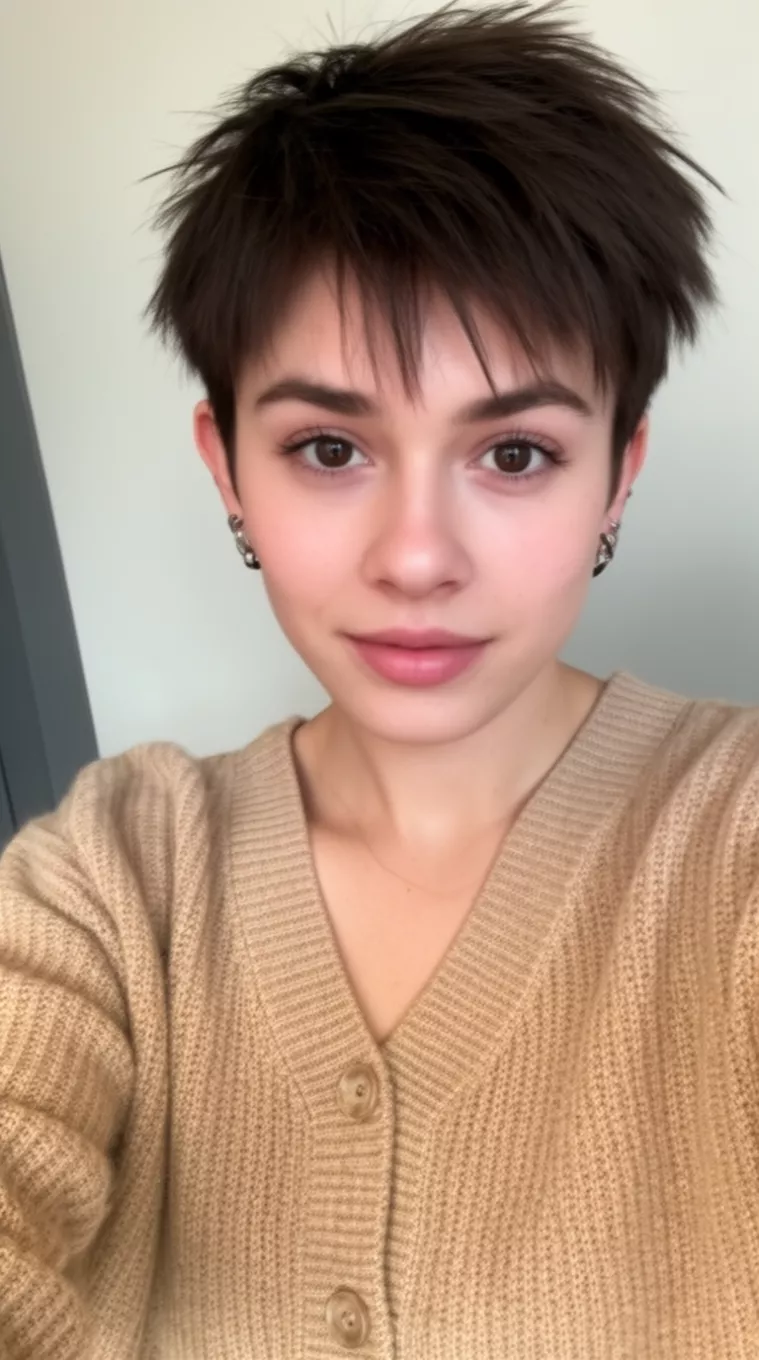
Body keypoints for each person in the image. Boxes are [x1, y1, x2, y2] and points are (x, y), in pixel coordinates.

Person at [1, 3, 758, 1356]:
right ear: (226, 464)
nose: (416, 559)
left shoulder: (731, 838)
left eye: (513, 453)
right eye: (328, 450)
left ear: (614, 477)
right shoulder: (115, 881)